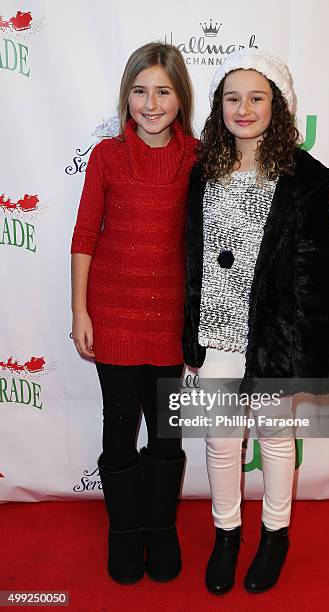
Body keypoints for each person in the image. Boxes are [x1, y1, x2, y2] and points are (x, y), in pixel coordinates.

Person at [183, 48, 329, 594]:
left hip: (273, 335)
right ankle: (227, 532)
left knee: (276, 437)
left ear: (278, 106)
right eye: (233, 98)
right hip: (216, 331)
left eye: (256, 97)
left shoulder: (304, 179)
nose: (244, 108)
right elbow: (189, 255)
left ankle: (275, 533)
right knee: (221, 439)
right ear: (218, 107)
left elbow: (320, 269)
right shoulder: (202, 171)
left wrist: (307, 347)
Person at [70, 42, 197, 585]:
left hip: (171, 320)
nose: (151, 103)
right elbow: (83, 237)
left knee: (167, 433)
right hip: (114, 315)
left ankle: (160, 529)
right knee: (119, 428)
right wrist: (80, 310)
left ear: (180, 97)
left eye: (163, 91)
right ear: (126, 96)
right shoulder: (105, 156)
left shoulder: (197, 158)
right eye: (140, 91)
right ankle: (124, 533)